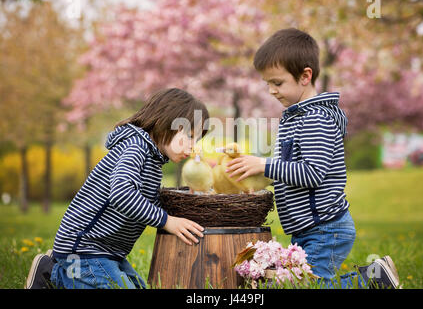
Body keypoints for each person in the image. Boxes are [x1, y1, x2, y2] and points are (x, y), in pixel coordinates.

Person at [226, 28, 400, 289]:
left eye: (277, 82)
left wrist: (264, 165)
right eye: (267, 84)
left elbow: (312, 172)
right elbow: (290, 171)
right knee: (309, 283)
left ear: (305, 76)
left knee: (308, 286)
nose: (271, 91)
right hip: (309, 228)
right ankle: (374, 277)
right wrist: (260, 177)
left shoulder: (315, 119)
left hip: (325, 227)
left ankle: (375, 280)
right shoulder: (296, 117)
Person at [25, 88, 208, 289]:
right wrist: (166, 220)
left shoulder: (154, 160)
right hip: (85, 248)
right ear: (165, 123)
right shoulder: (135, 148)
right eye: (189, 136)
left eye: (196, 140)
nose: (192, 146)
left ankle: (65, 272)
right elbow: (122, 195)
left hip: (109, 252)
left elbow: (147, 201)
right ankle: (53, 274)